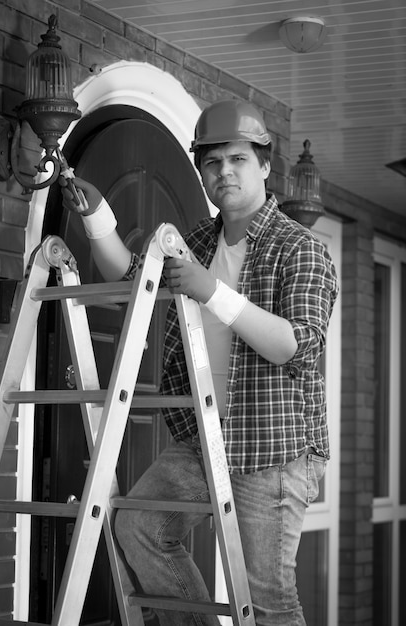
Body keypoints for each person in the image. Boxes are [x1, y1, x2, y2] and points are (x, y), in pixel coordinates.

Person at [60, 99, 339, 626]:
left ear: (263, 164)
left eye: (236, 159)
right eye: (212, 163)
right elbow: (130, 283)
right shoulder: (197, 242)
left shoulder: (300, 249)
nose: (224, 172)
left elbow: (295, 345)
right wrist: (96, 216)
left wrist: (212, 291)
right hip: (206, 437)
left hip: (274, 448)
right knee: (138, 525)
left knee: (267, 599)